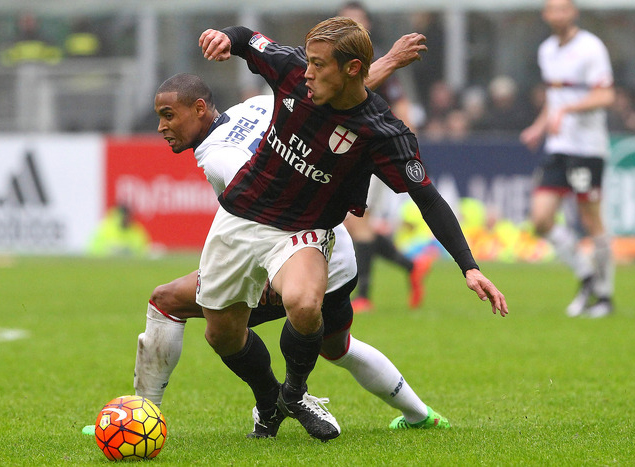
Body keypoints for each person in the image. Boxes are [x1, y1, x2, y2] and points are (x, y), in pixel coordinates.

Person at [198, 17, 508, 441]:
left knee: (306, 307)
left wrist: (469, 266)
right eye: (308, 61)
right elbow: (248, 38)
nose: (306, 72)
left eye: (318, 64)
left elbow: (428, 198)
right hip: (239, 217)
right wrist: (224, 38)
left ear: (352, 69)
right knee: (218, 331)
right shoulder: (294, 72)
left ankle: (295, 392)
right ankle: (271, 402)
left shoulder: (382, 133)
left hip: (301, 232)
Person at [134, 77, 450, 440]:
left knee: (202, 313)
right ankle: (414, 413)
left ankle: (286, 397)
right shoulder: (255, 106)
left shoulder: (221, 158)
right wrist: (386, 64)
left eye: (168, 115)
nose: (161, 126)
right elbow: (325, 96)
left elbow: (268, 204)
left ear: (199, 109)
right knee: (334, 345)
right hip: (313, 245)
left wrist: (269, 275)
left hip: (308, 248)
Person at [519, 0, 615, 318]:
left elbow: (606, 94)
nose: (557, 14)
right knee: (541, 219)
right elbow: (554, 98)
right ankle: (587, 274)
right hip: (558, 147)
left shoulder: (591, 47)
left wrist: (568, 111)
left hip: (587, 148)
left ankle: (604, 296)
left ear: (573, 11)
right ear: (546, 14)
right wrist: (538, 126)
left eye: (563, 8)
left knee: (590, 219)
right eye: (552, 9)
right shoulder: (547, 49)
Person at [337, 1, 433, 314]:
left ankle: (363, 295)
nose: (354, 25)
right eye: (347, 20)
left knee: (358, 222)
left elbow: (399, 102)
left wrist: (408, 145)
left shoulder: (375, 58)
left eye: (359, 20)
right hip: (347, 150)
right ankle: (410, 266)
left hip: (373, 148)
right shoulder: (331, 58)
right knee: (352, 224)